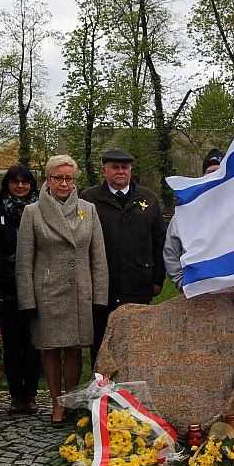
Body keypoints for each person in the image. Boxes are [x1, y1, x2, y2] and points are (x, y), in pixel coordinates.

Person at [15, 155, 108, 425]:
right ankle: (56, 402)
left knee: (76, 348)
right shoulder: (32, 212)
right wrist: (27, 299)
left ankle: (71, 400)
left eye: (69, 178)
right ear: (48, 179)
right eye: (58, 178)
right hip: (48, 291)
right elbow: (24, 260)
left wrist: (99, 295)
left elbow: (98, 256)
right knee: (51, 348)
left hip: (80, 290)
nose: (64, 183)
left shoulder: (88, 210)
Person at [79, 149, 165, 367]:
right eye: (115, 167)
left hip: (137, 282)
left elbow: (159, 242)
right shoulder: (88, 199)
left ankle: (133, 393)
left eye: (124, 167)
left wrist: (157, 279)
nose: (120, 171)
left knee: (136, 342)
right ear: (104, 170)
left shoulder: (148, 199)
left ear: (130, 170)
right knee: (101, 341)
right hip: (101, 285)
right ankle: (101, 392)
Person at [164, 148, 234, 292]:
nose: (215, 177)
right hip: (196, 297)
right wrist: (182, 284)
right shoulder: (185, 214)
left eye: (220, 172)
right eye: (210, 172)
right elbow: (171, 252)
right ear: (202, 176)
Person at [0, 164, 42, 414]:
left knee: (32, 345)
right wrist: (11, 277)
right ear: (7, 184)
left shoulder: (41, 211)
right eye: (14, 181)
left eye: (25, 182)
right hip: (7, 286)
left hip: (37, 285)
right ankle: (15, 394)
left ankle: (30, 393)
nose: (20, 186)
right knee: (12, 344)